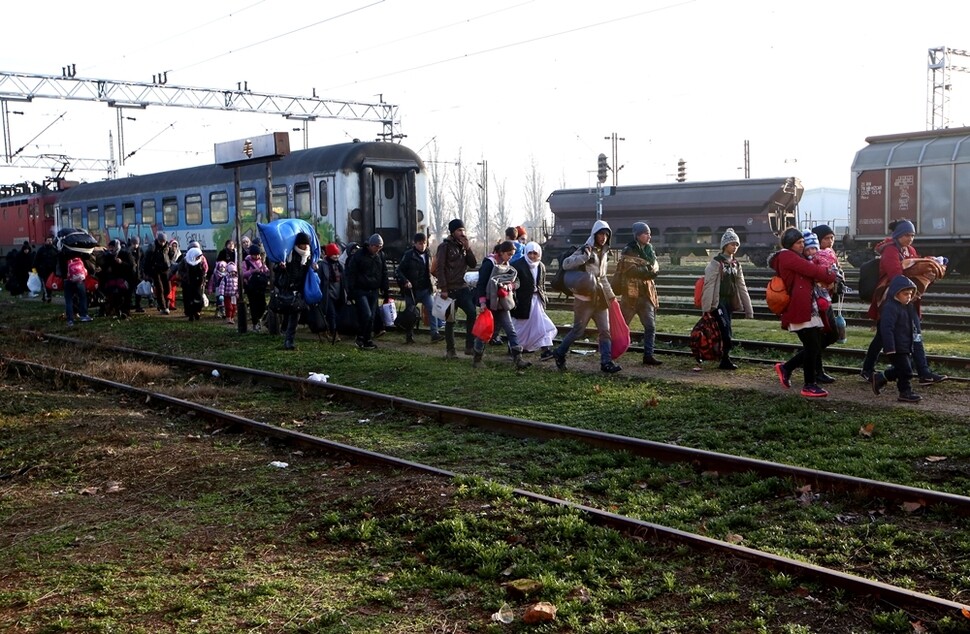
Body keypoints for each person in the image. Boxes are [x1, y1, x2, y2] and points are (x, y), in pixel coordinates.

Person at [860, 219, 947, 386]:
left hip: (907, 298)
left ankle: (923, 372)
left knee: (913, 333)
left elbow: (914, 270)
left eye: (913, 235)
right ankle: (870, 370)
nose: (910, 238)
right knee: (886, 336)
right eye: (907, 235)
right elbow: (896, 276)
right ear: (898, 235)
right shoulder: (890, 252)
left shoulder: (910, 250)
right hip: (891, 299)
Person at [544, 220, 622, 374]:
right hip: (584, 299)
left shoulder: (605, 252)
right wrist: (583, 257)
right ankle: (560, 353)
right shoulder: (584, 249)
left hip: (600, 298)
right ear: (594, 234)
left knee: (605, 331)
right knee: (578, 331)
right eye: (600, 234)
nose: (603, 237)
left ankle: (606, 362)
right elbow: (566, 264)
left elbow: (603, 277)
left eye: (606, 235)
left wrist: (611, 297)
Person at [769, 227, 838, 397]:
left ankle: (787, 369)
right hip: (799, 308)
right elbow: (813, 271)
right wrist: (830, 275)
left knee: (813, 346)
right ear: (790, 244)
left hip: (806, 307)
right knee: (812, 346)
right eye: (799, 242)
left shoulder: (794, 256)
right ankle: (808, 384)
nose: (803, 245)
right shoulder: (787, 256)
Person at [699, 228, 754, 370]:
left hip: (730, 302)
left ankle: (724, 358)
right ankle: (724, 358)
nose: (734, 247)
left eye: (736, 244)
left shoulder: (736, 264)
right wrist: (707, 308)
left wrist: (749, 309)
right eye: (732, 244)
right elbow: (709, 285)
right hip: (719, 302)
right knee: (725, 330)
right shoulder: (716, 263)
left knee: (727, 330)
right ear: (724, 246)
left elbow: (742, 286)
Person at [472, 240, 531, 370]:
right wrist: (482, 303)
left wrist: (510, 286)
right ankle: (477, 359)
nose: (511, 257)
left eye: (512, 254)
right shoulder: (489, 263)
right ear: (502, 252)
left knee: (511, 330)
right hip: (488, 303)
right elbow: (481, 284)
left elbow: (517, 281)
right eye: (509, 254)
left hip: (501, 303)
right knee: (484, 331)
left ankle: (518, 359)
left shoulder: (506, 264)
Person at [615, 222, 662, 366]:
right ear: (637, 235)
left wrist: (647, 271)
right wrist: (647, 272)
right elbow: (631, 271)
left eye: (649, 233)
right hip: (630, 296)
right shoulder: (629, 250)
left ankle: (648, 355)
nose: (649, 236)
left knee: (650, 326)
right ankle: (611, 352)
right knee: (622, 325)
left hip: (646, 295)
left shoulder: (650, 250)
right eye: (645, 233)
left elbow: (655, 270)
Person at [871, 275, 923, 403]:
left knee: (903, 368)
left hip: (905, 344)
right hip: (896, 346)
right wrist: (890, 347)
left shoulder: (906, 307)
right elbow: (886, 329)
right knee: (906, 371)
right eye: (905, 294)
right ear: (896, 293)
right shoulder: (890, 307)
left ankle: (881, 377)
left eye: (910, 294)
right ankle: (905, 392)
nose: (909, 297)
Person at [434, 218, 478, 359]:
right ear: (453, 231)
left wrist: (468, 248)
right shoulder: (444, 247)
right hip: (450, 289)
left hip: (462, 287)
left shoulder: (463, 247)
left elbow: (473, 264)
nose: (462, 232)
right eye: (459, 230)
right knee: (450, 320)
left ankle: (469, 346)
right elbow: (440, 268)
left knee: (472, 313)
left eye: (463, 230)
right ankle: (450, 350)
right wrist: (444, 288)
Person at [396, 232, 442, 344]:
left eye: (424, 243)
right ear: (415, 243)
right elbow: (399, 271)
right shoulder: (409, 255)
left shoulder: (429, 254)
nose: (423, 246)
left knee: (432, 310)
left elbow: (432, 269)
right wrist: (406, 281)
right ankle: (409, 335)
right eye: (420, 243)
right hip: (412, 290)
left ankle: (434, 334)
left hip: (426, 289)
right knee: (411, 313)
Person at [511, 241, 557, 355]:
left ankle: (546, 349)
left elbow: (541, 284)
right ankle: (515, 347)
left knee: (544, 325)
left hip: (537, 301)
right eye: (530, 253)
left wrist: (543, 298)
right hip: (523, 302)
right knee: (521, 326)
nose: (532, 256)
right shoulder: (518, 265)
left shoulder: (541, 266)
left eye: (535, 253)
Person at [274, 231, 317, 350]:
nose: (306, 247)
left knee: (295, 316)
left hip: (300, 290)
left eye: (307, 244)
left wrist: (314, 267)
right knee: (289, 313)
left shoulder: (308, 256)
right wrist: (281, 267)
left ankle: (289, 340)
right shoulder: (290, 254)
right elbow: (276, 268)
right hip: (288, 288)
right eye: (303, 244)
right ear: (299, 244)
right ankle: (285, 333)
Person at [346, 233, 390, 350]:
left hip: (373, 289)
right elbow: (351, 273)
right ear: (370, 245)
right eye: (376, 247)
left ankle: (365, 338)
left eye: (380, 247)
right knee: (367, 314)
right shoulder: (359, 255)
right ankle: (363, 337)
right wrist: (350, 290)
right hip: (361, 289)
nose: (378, 249)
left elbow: (384, 272)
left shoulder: (380, 256)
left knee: (371, 316)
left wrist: (385, 289)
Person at [97, 239, 136, 318]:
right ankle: (116, 311)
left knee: (126, 296)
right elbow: (105, 266)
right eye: (110, 247)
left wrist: (121, 263)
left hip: (125, 278)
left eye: (112, 247)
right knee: (114, 295)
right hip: (113, 279)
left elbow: (131, 266)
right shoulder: (108, 255)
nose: (111, 249)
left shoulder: (125, 253)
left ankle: (125, 312)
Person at [58, 245, 95, 326]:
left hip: (67, 279)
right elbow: (87, 256)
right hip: (79, 279)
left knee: (68, 300)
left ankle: (70, 320)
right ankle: (84, 316)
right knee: (82, 297)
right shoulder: (77, 251)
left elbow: (59, 267)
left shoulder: (61, 253)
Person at [319, 243, 346, 341]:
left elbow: (343, 279)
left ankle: (328, 331)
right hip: (327, 294)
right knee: (332, 314)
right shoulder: (323, 265)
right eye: (334, 254)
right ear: (329, 254)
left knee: (336, 314)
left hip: (338, 294)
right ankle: (334, 334)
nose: (336, 256)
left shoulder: (339, 265)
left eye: (337, 254)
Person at [242, 244, 271, 332]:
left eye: (258, 254)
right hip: (251, 288)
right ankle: (255, 323)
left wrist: (267, 272)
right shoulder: (246, 262)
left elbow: (266, 271)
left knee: (262, 305)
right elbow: (243, 273)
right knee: (253, 306)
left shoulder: (261, 262)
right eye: (255, 254)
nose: (257, 256)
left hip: (260, 287)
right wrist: (252, 271)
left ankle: (259, 318)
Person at [144, 232, 172, 314]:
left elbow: (170, 257)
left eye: (164, 241)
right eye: (161, 241)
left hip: (166, 270)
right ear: (158, 240)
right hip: (155, 271)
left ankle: (163, 304)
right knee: (160, 289)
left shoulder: (167, 247)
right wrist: (147, 272)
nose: (162, 243)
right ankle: (163, 308)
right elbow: (147, 261)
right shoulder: (152, 248)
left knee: (167, 289)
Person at [179, 246, 207, 321]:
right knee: (189, 299)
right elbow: (180, 271)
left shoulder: (199, 261)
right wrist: (185, 276)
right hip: (187, 283)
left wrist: (202, 279)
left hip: (197, 283)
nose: (198, 258)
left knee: (198, 299)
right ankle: (191, 314)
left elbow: (203, 271)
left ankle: (197, 311)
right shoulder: (185, 260)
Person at [33, 235, 58, 303]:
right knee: (45, 284)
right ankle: (47, 296)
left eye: (51, 240)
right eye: (48, 240)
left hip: (52, 271)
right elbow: (36, 260)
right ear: (45, 241)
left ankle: (47, 295)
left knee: (50, 284)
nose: (50, 242)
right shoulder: (41, 250)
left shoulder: (54, 249)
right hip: (43, 271)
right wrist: (34, 271)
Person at [128, 235, 146, 312]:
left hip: (138, 274)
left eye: (137, 244)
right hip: (130, 274)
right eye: (134, 243)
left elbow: (143, 261)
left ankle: (138, 305)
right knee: (130, 291)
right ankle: (129, 304)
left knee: (138, 291)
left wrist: (142, 271)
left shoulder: (140, 251)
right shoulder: (128, 251)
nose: (135, 245)